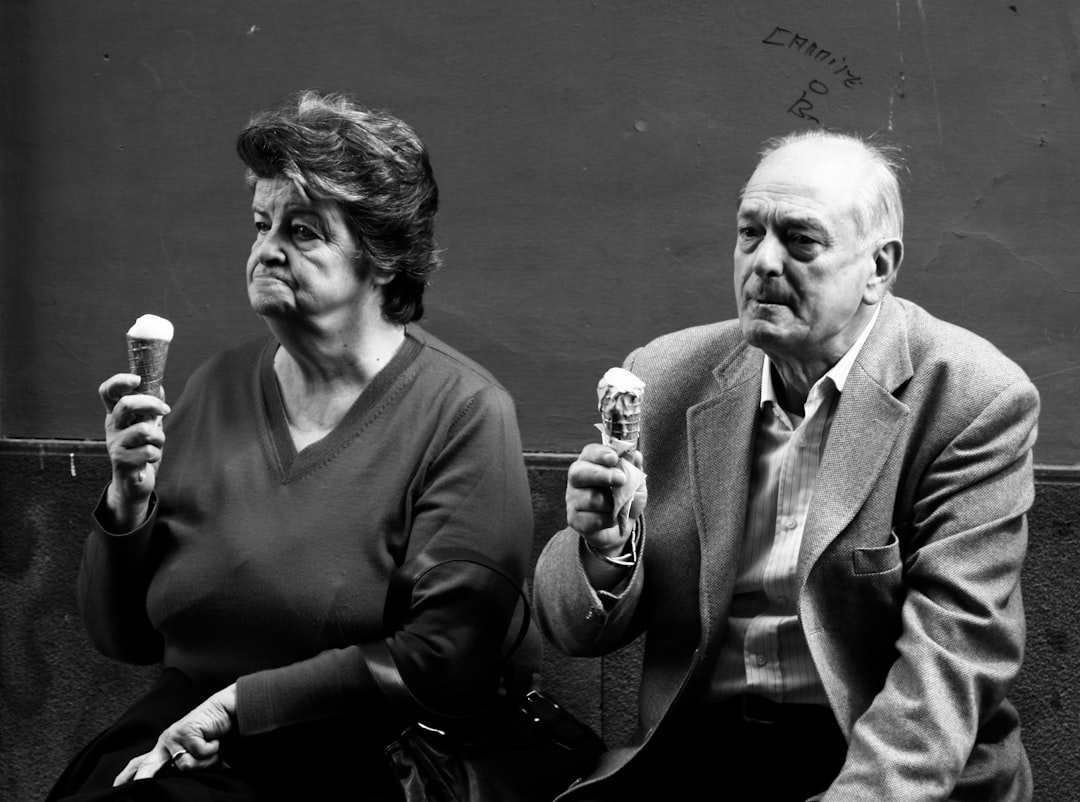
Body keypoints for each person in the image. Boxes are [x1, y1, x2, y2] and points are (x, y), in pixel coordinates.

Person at [46, 89, 536, 801]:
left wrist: (239, 708)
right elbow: (122, 638)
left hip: (356, 752)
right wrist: (128, 498)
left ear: (385, 256)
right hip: (183, 732)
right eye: (261, 223)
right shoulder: (215, 387)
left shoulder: (463, 412)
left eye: (303, 231)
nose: (267, 248)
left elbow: (447, 656)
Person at [533, 129, 1039, 801]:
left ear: (879, 268)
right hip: (698, 750)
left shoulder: (971, 401)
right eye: (749, 234)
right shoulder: (663, 378)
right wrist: (602, 549)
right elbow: (570, 631)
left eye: (801, 241)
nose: (764, 262)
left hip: (876, 754)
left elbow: (951, 660)